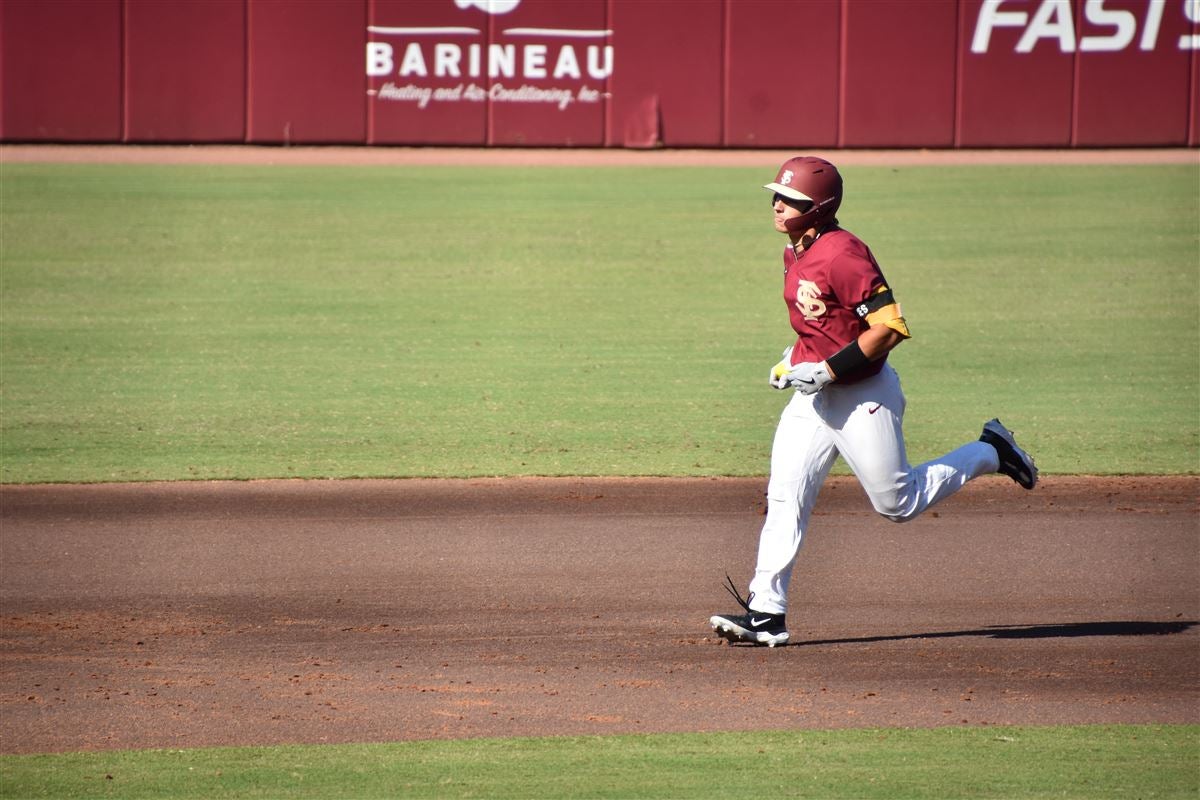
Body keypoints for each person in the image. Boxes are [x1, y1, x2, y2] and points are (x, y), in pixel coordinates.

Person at [709, 156, 1037, 648]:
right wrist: (790, 360)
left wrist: (828, 369)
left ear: (819, 207)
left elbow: (890, 328)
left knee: (896, 503)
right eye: (776, 195)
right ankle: (766, 612)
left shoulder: (844, 253)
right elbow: (820, 326)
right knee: (786, 495)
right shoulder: (795, 250)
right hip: (815, 399)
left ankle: (991, 450)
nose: (778, 204)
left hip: (863, 395)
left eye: (790, 199)